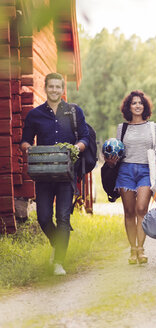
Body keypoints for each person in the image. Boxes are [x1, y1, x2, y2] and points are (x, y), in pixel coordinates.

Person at [21, 73, 90, 276]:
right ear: (45, 88)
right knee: (43, 217)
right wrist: (28, 149)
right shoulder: (35, 115)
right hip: (43, 173)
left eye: (57, 87)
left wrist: (76, 147)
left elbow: (85, 137)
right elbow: (25, 141)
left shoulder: (74, 112)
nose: (54, 90)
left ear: (62, 89)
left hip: (67, 174)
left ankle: (59, 261)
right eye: (50, 86)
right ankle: (56, 244)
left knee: (63, 217)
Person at [105, 90, 156, 264]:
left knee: (141, 209)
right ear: (128, 107)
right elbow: (117, 150)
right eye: (134, 103)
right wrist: (111, 160)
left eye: (140, 103)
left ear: (144, 107)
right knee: (129, 212)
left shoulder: (152, 127)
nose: (137, 106)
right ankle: (132, 249)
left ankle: (141, 249)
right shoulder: (122, 128)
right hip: (125, 172)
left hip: (146, 171)